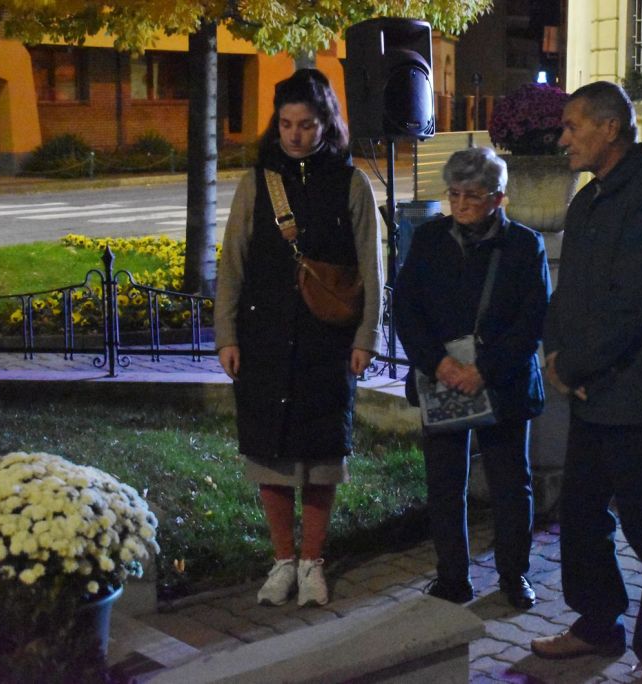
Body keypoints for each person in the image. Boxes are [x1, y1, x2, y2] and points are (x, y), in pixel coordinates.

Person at [529, 81, 642, 683]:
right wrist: (555, 354)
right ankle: (597, 625)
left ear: (609, 129)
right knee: (581, 521)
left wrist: (573, 368)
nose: (563, 139)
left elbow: (634, 310)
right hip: (593, 397)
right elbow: (568, 294)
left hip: (641, 400)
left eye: (573, 126)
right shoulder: (590, 199)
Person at [214, 68, 383, 608]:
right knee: (269, 452)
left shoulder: (351, 183)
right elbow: (233, 263)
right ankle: (283, 561)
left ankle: (312, 563)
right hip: (263, 338)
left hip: (326, 340)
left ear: (326, 123)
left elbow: (371, 266)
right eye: (286, 124)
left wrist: (366, 336)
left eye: (306, 124)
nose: (294, 134)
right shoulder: (256, 183)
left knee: (319, 454)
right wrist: (226, 334)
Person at [393, 146, 551, 609]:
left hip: (502, 383)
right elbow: (407, 307)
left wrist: (484, 370)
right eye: (454, 194)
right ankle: (452, 577)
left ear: (497, 198)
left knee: (511, 484)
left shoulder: (524, 245)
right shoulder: (429, 238)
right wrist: (438, 363)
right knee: (445, 484)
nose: (460, 204)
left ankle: (514, 576)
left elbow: (532, 320)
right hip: (442, 380)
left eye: (472, 195)